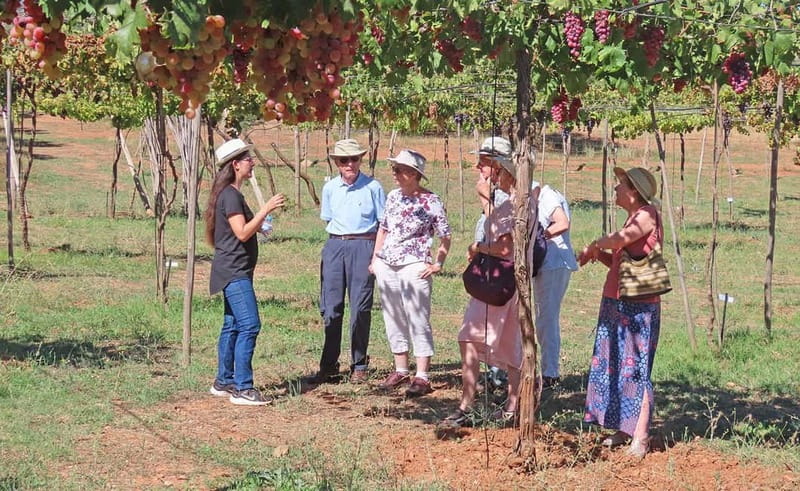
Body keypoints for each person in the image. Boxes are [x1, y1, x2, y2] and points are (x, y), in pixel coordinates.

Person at [577, 166, 663, 459]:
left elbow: (620, 239)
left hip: (639, 307)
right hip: (617, 300)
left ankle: (640, 436)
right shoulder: (632, 217)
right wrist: (597, 255)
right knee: (614, 365)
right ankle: (624, 428)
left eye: (619, 186)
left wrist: (596, 244)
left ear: (634, 191)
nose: (615, 190)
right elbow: (623, 264)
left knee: (635, 369)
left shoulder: (647, 214)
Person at [443, 137, 522, 427]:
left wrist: (478, 248)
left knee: (469, 338)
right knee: (510, 344)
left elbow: (504, 247)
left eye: (484, 163)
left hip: (499, 282)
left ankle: (467, 405)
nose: (478, 168)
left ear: (500, 168)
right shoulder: (515, 198)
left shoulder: (507, 202)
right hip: (506, 283)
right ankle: (512, 406)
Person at [205, 138, 286, 406]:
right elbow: (241, 233)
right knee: (250, 324)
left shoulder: (230, 194)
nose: (252, 162)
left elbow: (242, 227)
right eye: (247, 158)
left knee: (232, 325)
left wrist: (261, 223)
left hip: (232, 268)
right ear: (235, 165)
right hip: (234, 271)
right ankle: (242, 388)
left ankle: (224, 381)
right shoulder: (230, 195)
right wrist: (266, 208)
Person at [370, 149, 452, 397]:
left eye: (400, 170)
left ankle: (423, 375)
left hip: (415, 264)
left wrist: (437, 263)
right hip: (387, 264)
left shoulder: (431, 201)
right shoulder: (394, 197)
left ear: (414, 174)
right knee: (393, 315)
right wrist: (375, 259)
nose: (394, 174)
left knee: (417, 317)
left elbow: (445, 236)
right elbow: (383, 230)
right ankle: (401, 368)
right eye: (394, 169)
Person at [311, 138, 386, 384]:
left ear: (361, 160)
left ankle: (360, 364)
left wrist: (375, 255)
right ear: (336, 163)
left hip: (363, 244)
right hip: (335, 245)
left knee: (360, 308)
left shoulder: (373, 187)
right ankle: (328, 365)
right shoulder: (330, 188)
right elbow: (328, 217)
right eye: (344, 160)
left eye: (354, 159)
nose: (350, 164)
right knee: (331, 307)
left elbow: (383, 225)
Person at [530, 180, 578, 388]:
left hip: (554, 263)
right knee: (545, 318)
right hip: (547, 264)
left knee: (546, 319)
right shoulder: (543, 196)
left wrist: (539, 236)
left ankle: (550, 373)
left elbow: (562, 222)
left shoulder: (546, 196)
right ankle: (548, 370)